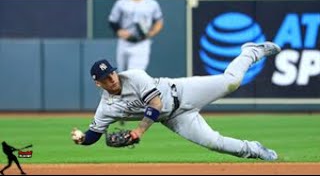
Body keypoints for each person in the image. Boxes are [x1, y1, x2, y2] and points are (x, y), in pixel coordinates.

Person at [71, 41, 281, 161]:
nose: (111, 79)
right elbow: (93, 135)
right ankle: (254, 149)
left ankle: (252, 51)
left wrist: (139, 131)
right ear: (98, 84)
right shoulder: (106, 108)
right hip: (174, 119)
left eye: (111, 73)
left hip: (182, 91)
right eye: (105, 79)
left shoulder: (134, 76)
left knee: (232, 82)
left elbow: (156, 105)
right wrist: (81, 138)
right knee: (215, 143)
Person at [108, 0, 164, 72]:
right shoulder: (121, 3)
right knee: (122, 73)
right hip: (125, 41)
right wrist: (119, 31)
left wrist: (151, 33)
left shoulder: (152, 4)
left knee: (135, 73)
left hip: (141, 43)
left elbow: (159, 21)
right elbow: (112, 21)